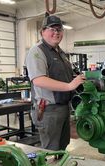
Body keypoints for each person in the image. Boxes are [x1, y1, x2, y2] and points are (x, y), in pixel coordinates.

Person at [25, 13, 85, 151]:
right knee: (50, 150)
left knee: (62, 146)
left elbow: (64, 75)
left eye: (59, 29)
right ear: (42, 31)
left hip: (63, 107)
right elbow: (39, 80)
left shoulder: (60, 52)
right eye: (52, 29)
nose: (56, 32)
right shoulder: (37, 51)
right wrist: (70, 85)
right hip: (48, 110)